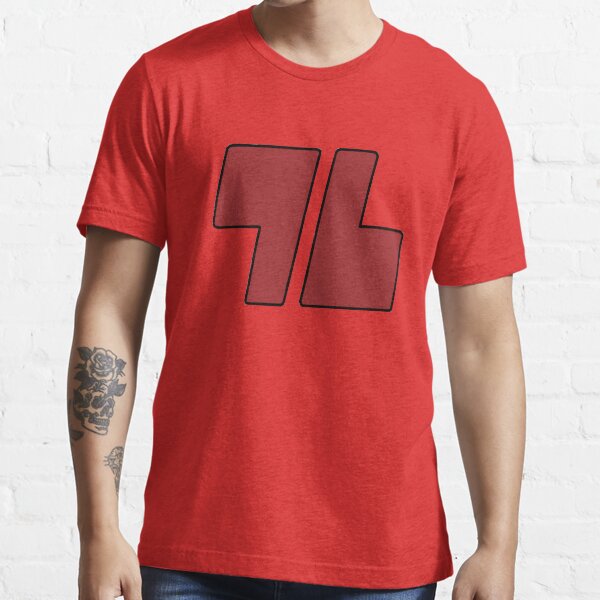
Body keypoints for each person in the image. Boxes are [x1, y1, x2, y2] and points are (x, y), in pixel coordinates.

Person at [68, 0, 527, 599]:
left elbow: (483, 344)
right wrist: (98, 530)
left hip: (381, 555)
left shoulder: (455, 104)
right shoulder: (165, 84)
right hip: (195, 548)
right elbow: (108, 310)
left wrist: (499, 543)